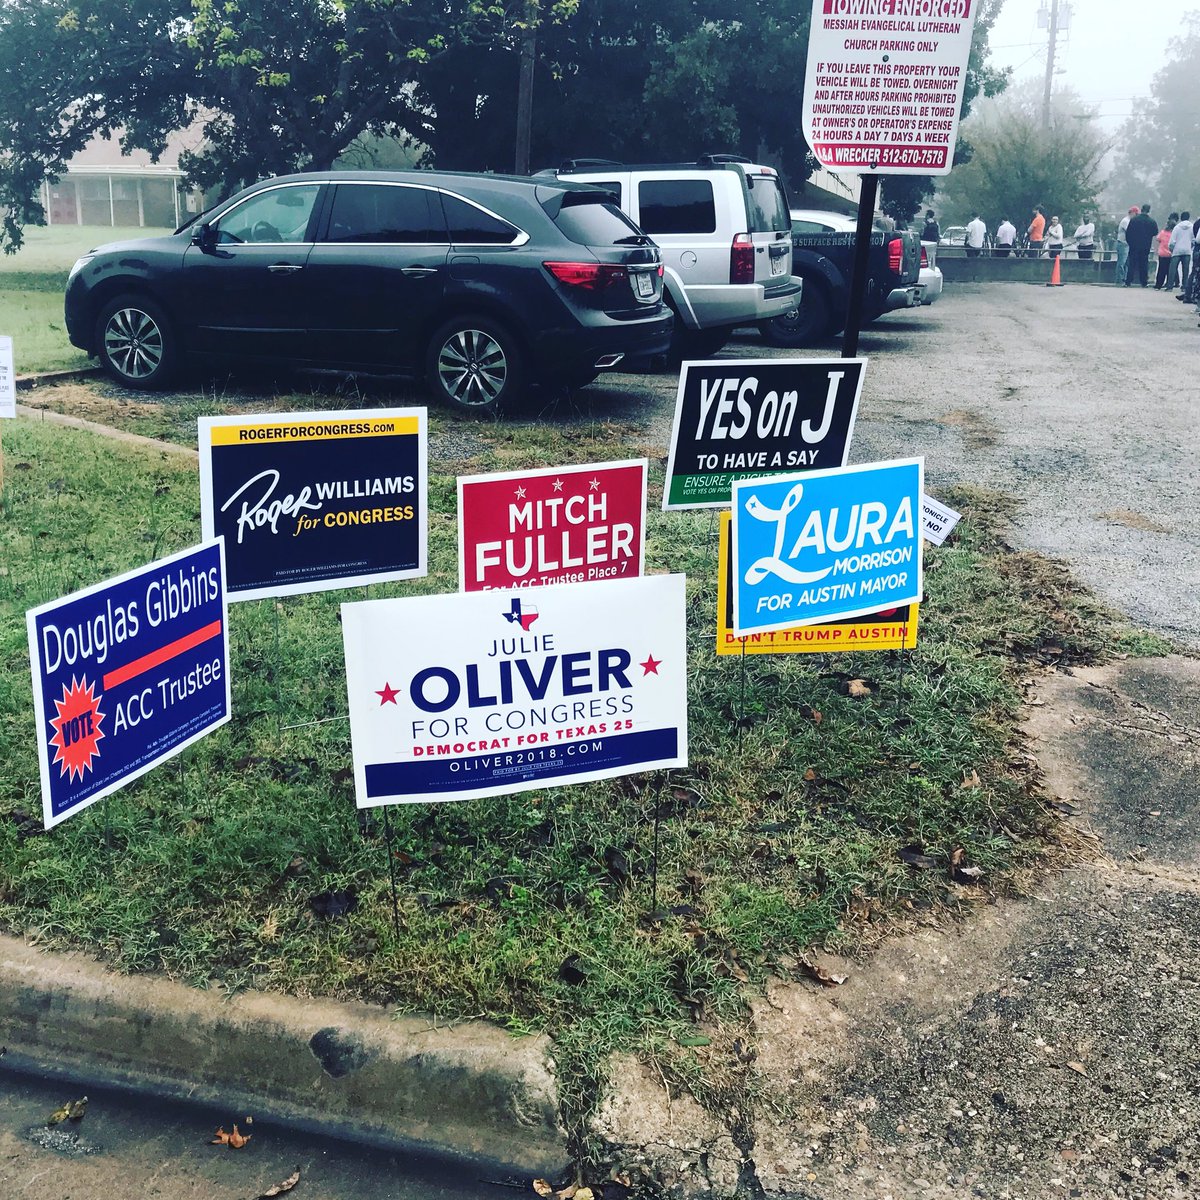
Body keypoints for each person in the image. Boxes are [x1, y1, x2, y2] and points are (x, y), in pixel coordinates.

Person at [1124, 204, 1159, 287]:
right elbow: (1155, 232)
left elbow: (1128, 233)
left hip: (1134, 245)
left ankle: (1128, 281)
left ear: (1142, 209)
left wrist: (1130, 243)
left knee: (1132, 263)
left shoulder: (1134, 220)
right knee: (1144, 264)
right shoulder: (1152, 221)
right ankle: (1144, 282)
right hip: (1146, 246)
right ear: (1149, 210)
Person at [1168, 209, 1193, 293]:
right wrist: (1190, 246)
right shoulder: (1192, 227)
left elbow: (1172, 241)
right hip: (1187, 250)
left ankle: (1170, 286)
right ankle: (1184, 286)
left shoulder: (1177, 227)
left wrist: (1171, 249)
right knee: (1185, 270)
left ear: (1181, 218)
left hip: (1177, 250)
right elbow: (1193, 240)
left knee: (1172, 269)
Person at [1116, 206, 1137, 284]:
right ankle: (1120, 280)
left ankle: (1124, 278)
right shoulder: (1126, 221)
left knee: (1126, 263)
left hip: (1127, 244)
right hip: (1123, 243)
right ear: (1132, 213)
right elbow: (1130, 231)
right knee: (1122, 263)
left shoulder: (1129, 221)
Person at [1154, 215, 1176, 288]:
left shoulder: (1162, 232)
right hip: (1170, 254)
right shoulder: (1173, 234)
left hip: (1162, 254)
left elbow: (1158, 239)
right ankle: (1169, 284)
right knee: (1169, 271)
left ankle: (1158, 285)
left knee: (1161, 270)